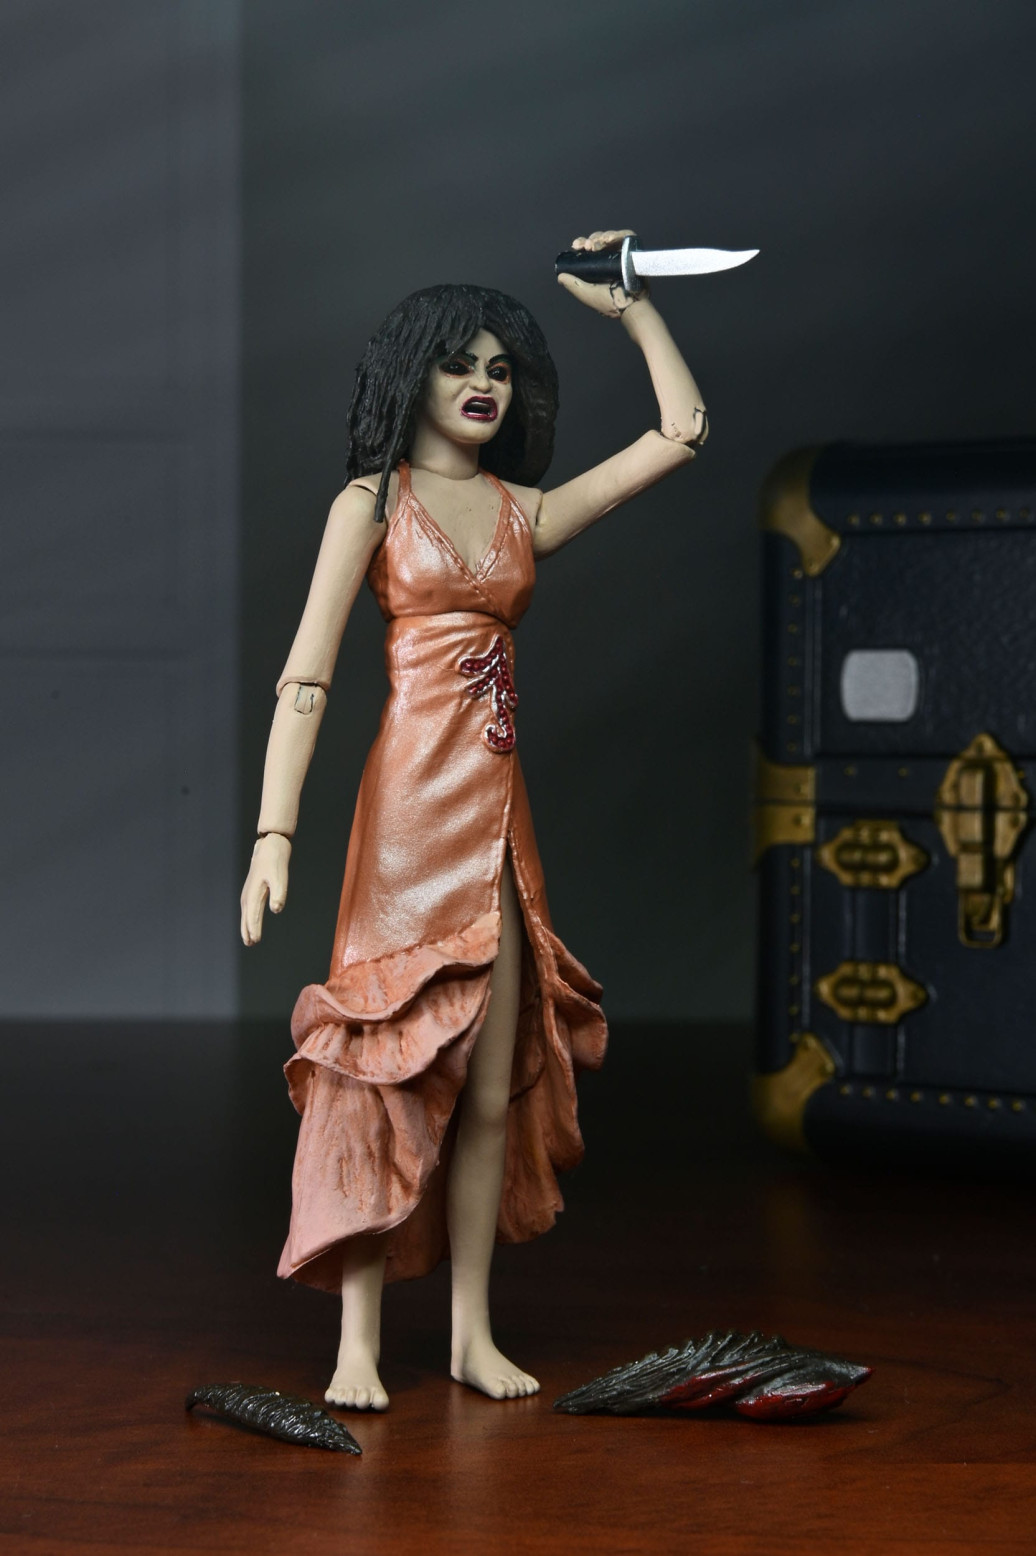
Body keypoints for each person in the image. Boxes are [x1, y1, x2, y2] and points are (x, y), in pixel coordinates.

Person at [240, 230, 708, 1411]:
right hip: (405, 814)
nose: (482, 382)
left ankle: (467, 1330)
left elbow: (681, 434)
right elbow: (306, 677)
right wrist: (272, 835)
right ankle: (356, 1340)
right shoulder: (371, 502)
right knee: (381, 1070)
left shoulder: (520, 509)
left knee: (491, 1088)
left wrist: (633, 308)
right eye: (458, 363)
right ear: (415, 376)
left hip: (498, 813)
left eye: (499, 365)